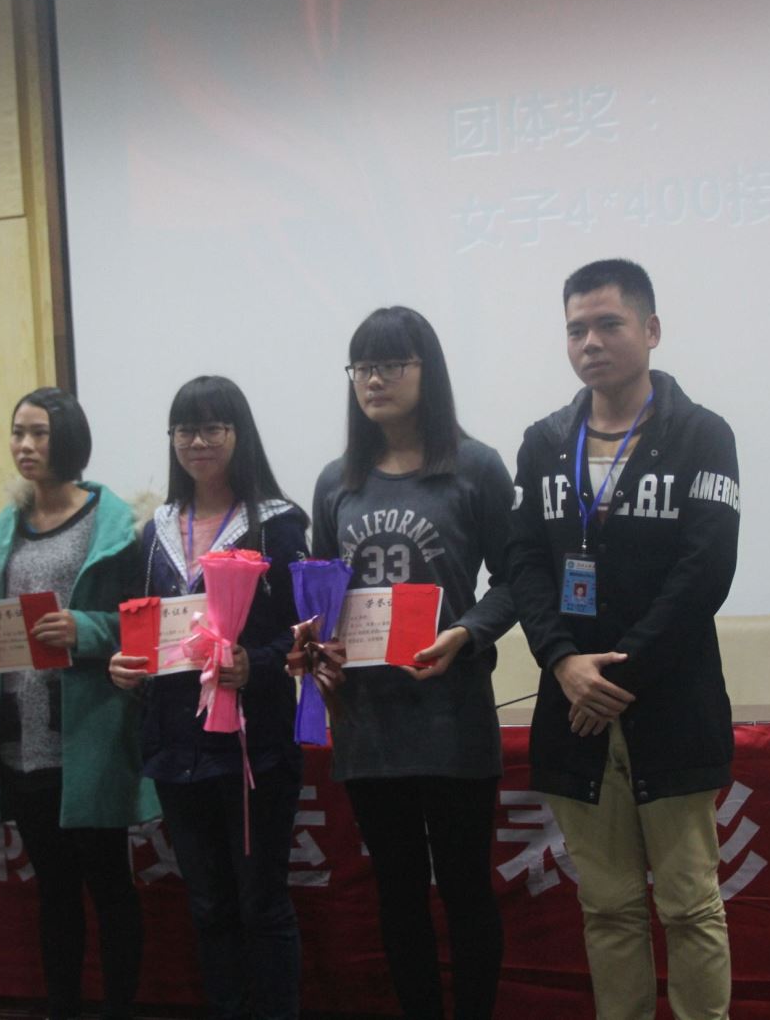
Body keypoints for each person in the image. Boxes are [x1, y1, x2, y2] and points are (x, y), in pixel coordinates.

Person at [508, 259, 739, 1020]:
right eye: (576, 329)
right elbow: (523, 563)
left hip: (670, 706)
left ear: (651, 329)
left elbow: (704, 573)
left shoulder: (701, 435)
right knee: (607, 908)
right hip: (573, 710)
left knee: (690, 905)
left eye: (609, 324)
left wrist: (618, 676)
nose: (591, 342)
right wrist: (562, 661)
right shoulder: (544, 442)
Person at [302, 307, 516, 1019]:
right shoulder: (336, 481)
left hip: (451, 716)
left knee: (465, 888)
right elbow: (323, 593)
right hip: (369, 724)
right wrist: (317, 647)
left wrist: (468, 633)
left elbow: (518, 579)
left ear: (428, 371)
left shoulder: (475, 466)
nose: (374, 380)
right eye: (362, 366)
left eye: (392, 364)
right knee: (397, 892)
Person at [108, 376, 308, 1020]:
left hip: (254, 749)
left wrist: (258, 663)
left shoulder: (277, 524)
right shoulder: (155, 532)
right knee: (209, 906)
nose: (198, 442)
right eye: (185, 430)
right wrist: (126, 666)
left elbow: (307, 630)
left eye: (213, 428)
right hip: (177, 747)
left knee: (261, 905)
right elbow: (145, 627)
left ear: (239, 434)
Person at [0, 387, 158, 1020]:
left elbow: (144, 619)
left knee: (108, 884)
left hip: (89, 731)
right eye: (17, 432)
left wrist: (87, 629)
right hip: (20, 738)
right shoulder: (4, 526)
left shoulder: (115, 524)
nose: (24, 446)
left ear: (70, 439)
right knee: (52, 890)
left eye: (39, 434)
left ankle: (120, 1008)